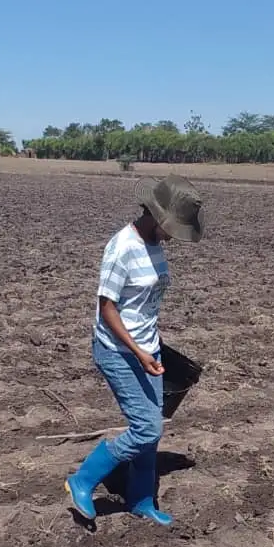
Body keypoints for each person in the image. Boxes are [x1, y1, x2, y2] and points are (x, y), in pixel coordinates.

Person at [65, 175, 205, 525]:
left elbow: (143, 303)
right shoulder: (122, 247)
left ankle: (141, 500)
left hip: (149, 349)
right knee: (146, 429)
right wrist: (139, 352)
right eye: (172, 228)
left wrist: (153, 347)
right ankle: (83, 479)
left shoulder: (154, 244)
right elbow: (107, 308)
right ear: (156, 216)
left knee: (152, 431)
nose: (173, 236)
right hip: (118, 351)